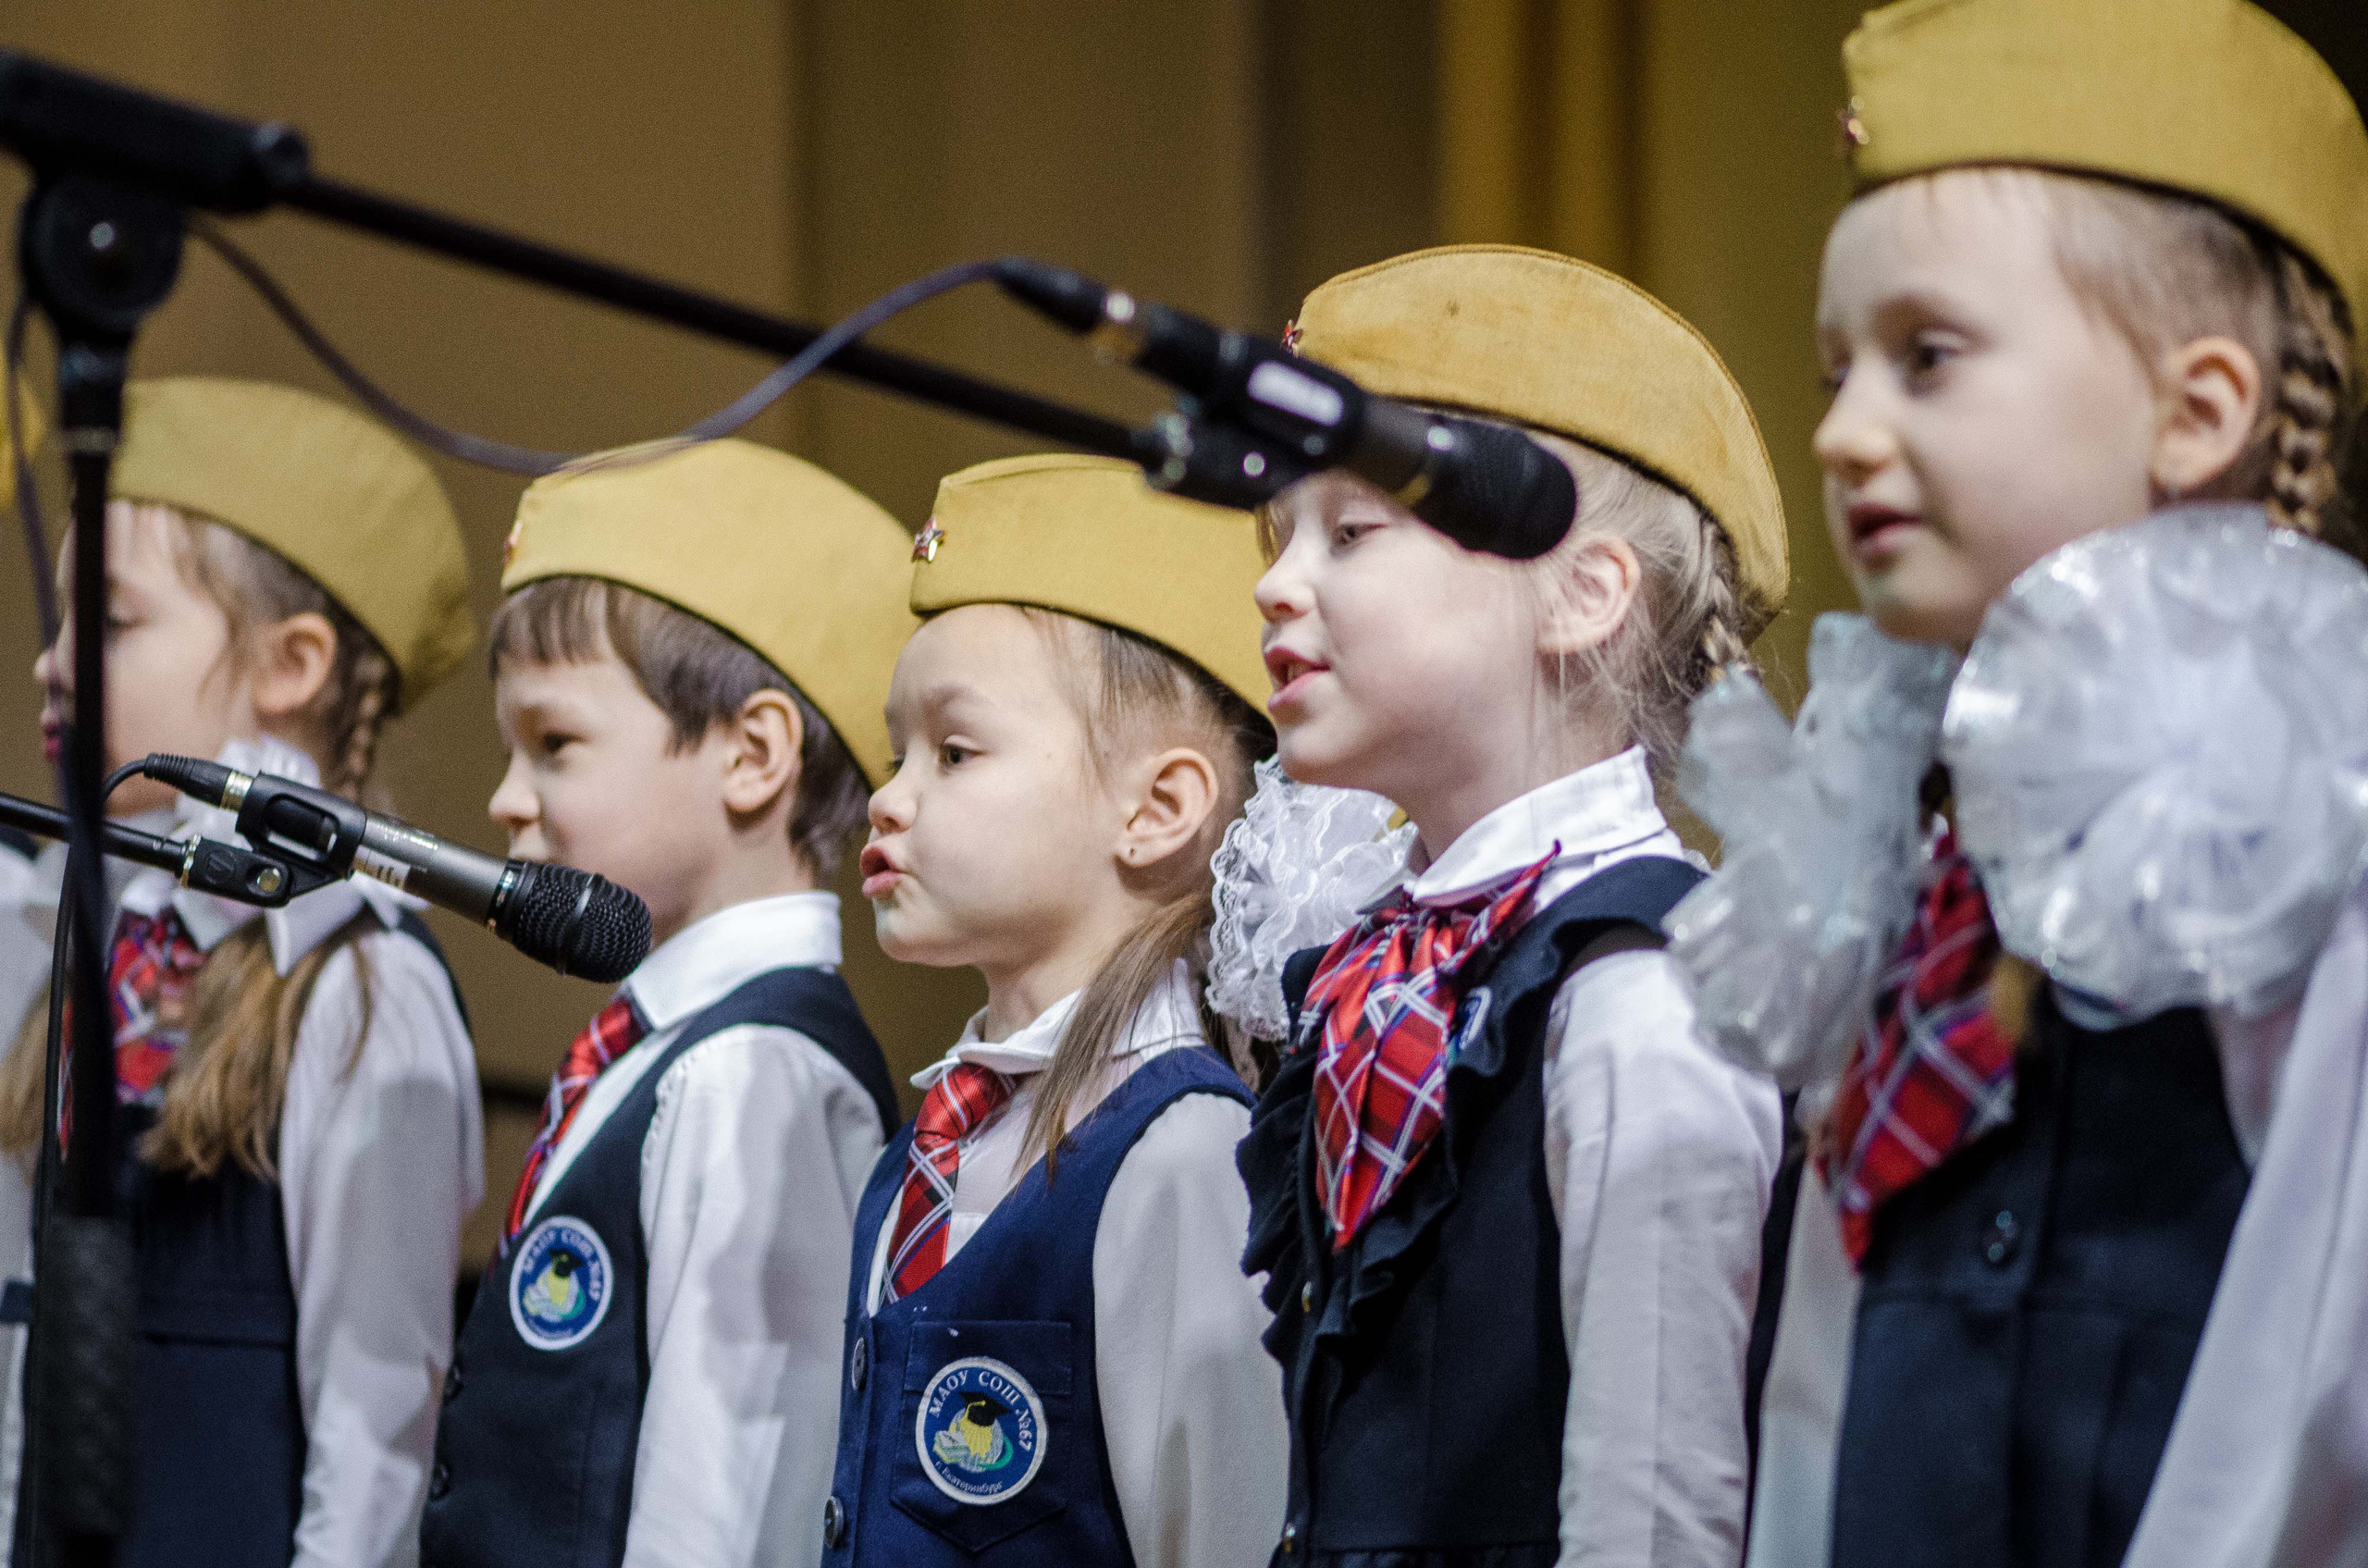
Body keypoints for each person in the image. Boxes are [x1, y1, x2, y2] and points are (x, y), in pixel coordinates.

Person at [1663, 3, 2368, 1563]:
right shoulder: (1913, 839)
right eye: (1837, 368)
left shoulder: (2310, 808)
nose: (1843, 432)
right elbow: (1821, 1379)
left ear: (2200, 410)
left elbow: (2320, 1371)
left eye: (1929, 358)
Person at [1215, 243, 1793, 1567]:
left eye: (1352, 530)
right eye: (1280, 533)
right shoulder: (1388, 976)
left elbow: (1655, 1519)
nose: (1276, 581)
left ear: (1583, 592)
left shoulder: (1643, 995)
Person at [6, 376, 480, 1568]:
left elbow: (376, 1434)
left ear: (291, 664)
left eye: (108, 624)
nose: (50, 668)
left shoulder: (361, 988)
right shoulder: (89, 937)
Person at [420, 439, 908, 1568]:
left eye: (554, 746)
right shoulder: (668, 1049)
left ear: (752, 755)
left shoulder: (757, 1072)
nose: (506, 800)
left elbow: (730, 1510)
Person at [821, 453, 1289, 1568]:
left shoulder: (1183, 1148)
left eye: (954, 751)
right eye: (896, 754)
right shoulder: (932, 1147)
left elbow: (1219, 1535)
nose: (887, 797)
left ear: (1156, 807)